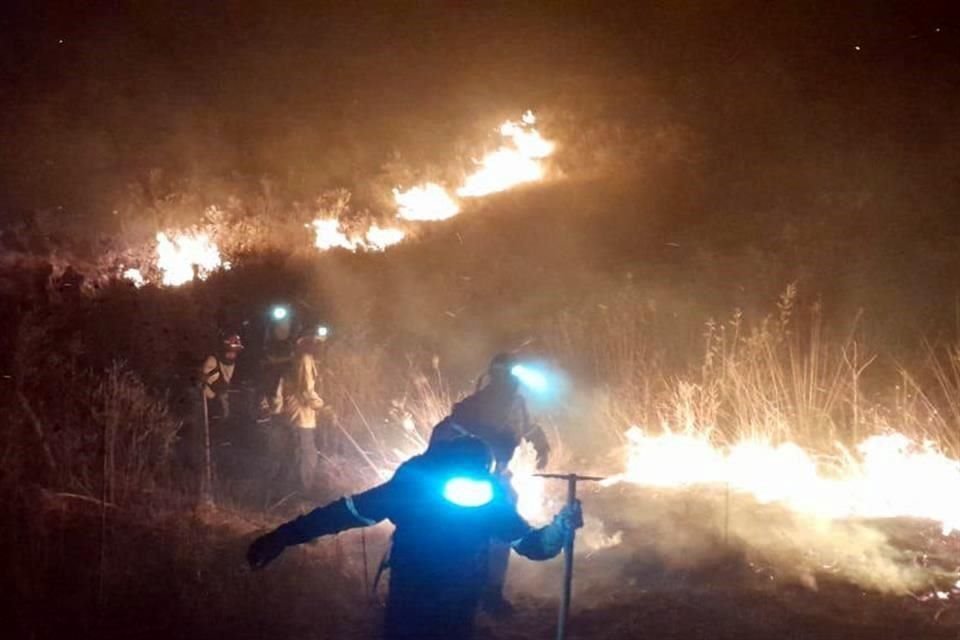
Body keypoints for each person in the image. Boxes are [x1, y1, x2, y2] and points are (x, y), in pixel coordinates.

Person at [247, 436, 582, 640]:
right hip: (412, 595)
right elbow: (344, 513)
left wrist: (560, 528)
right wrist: (283, 536)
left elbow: (533, 546)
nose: (469, 489)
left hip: (460, 598)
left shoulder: (488, 498)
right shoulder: (413, 486)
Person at [429, 352, 551, 614]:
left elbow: (526, 426)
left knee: (500, 536)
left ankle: (492, 591)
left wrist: (540, 443)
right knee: (464, 532)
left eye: (511, 379)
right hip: (470, 480)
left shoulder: (516, 403)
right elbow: (446, 430)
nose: (508, 384)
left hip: (499, 478)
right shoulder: (473, 406)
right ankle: (453, 587)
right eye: (504, 378)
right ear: (494, 378)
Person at [271, 324, 333, 490]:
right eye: (314, 342)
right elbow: (306, 391)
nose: (317, 345)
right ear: (304, 343)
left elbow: (283, 388)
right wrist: (322, 406)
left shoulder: (298, 360)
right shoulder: (305, 359)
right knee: (306, 456)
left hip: (295, 415)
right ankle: (300, 493)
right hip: (301, 416)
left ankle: (287, 489)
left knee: (298, 453)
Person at [201, 334, 244, 421]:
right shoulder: (213, 361)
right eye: (230, 351)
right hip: (210, 409)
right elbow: (203, 384)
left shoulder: (235, 366)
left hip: (225, 412)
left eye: (235, 352)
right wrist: (215, 399)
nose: (232, 355)